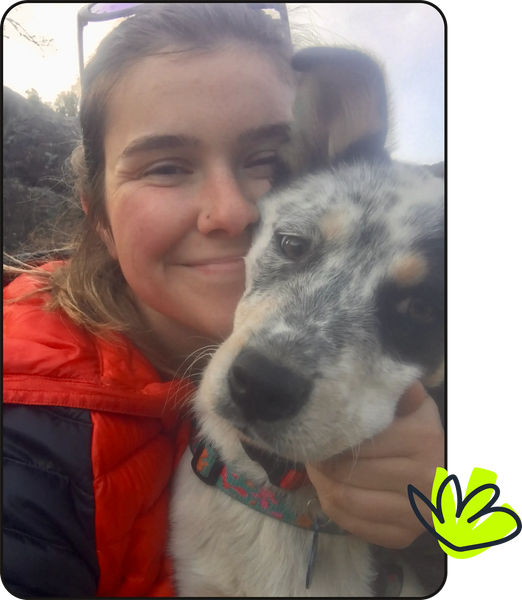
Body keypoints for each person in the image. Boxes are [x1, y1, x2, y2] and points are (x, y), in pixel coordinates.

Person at [3, 3, 444, 597]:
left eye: (264, 161)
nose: (236, 211)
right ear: (98, 215)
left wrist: (440, 520)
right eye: (165, 166)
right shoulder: (31, 433)